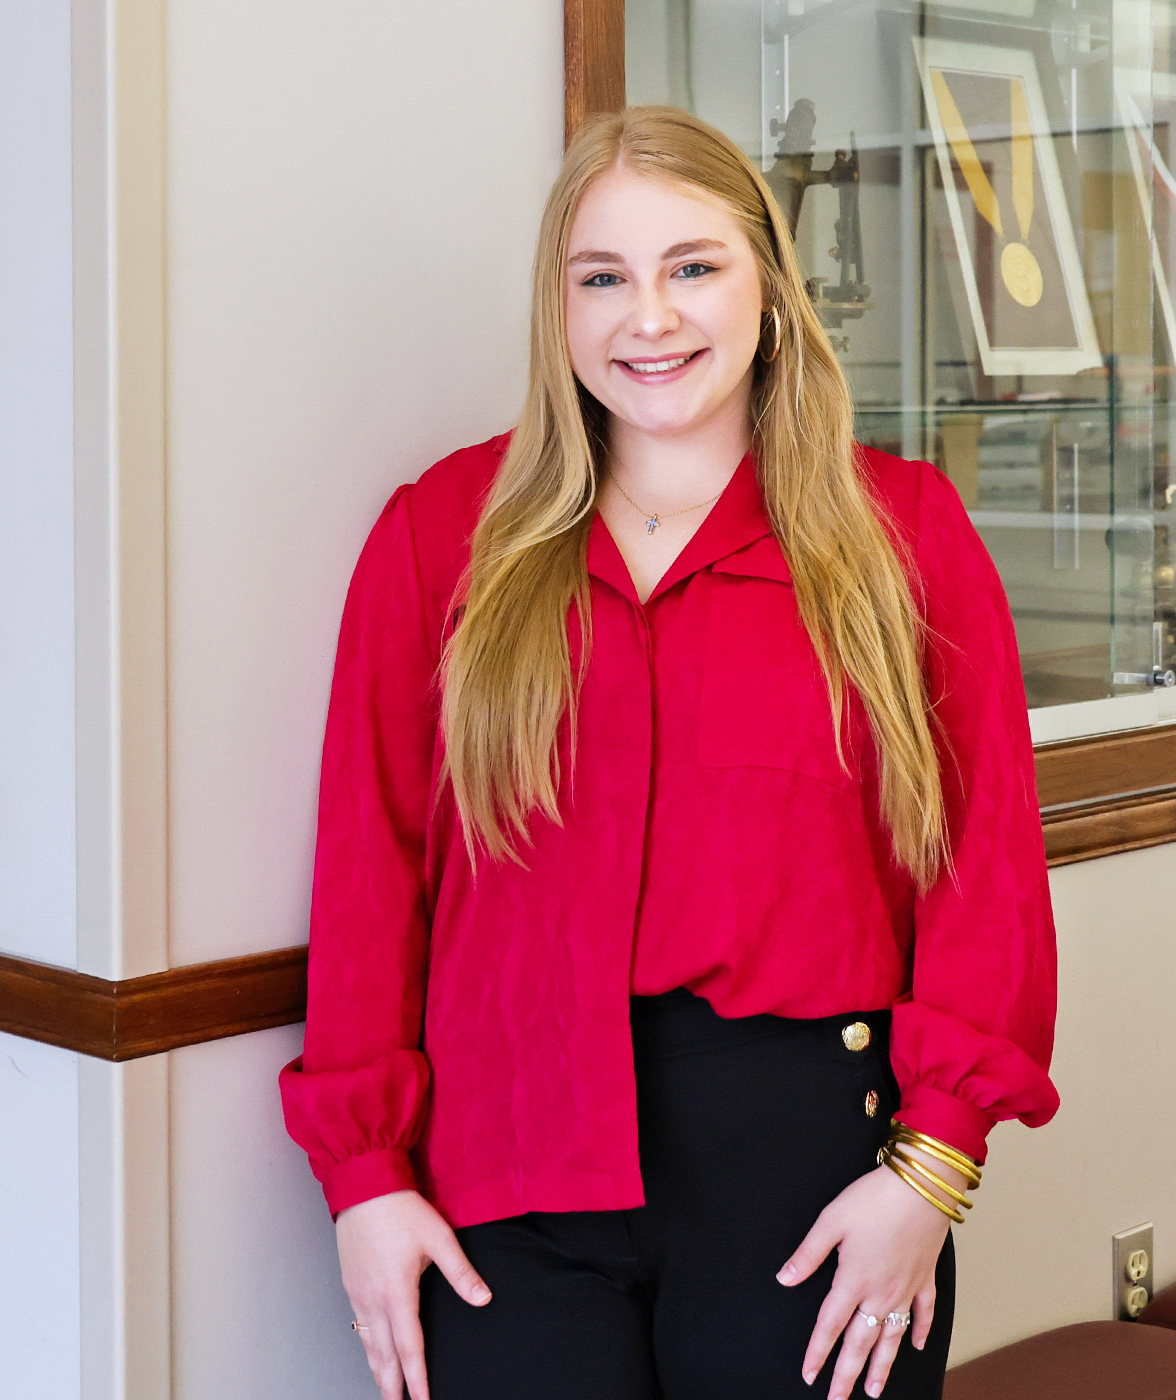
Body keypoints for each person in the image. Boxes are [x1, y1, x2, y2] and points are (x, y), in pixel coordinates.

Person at [279, 105, 1059, 1400]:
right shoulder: (439, 541)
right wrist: (364, 1180)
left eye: (692, 266)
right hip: (506, 1170)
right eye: (605, 279)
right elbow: (375, 872)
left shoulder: (903, 536)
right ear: (559, 309)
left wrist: (931, 1172)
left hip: (807, 1177)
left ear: (766, 282)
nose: (650, 318)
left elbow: (985, 870)